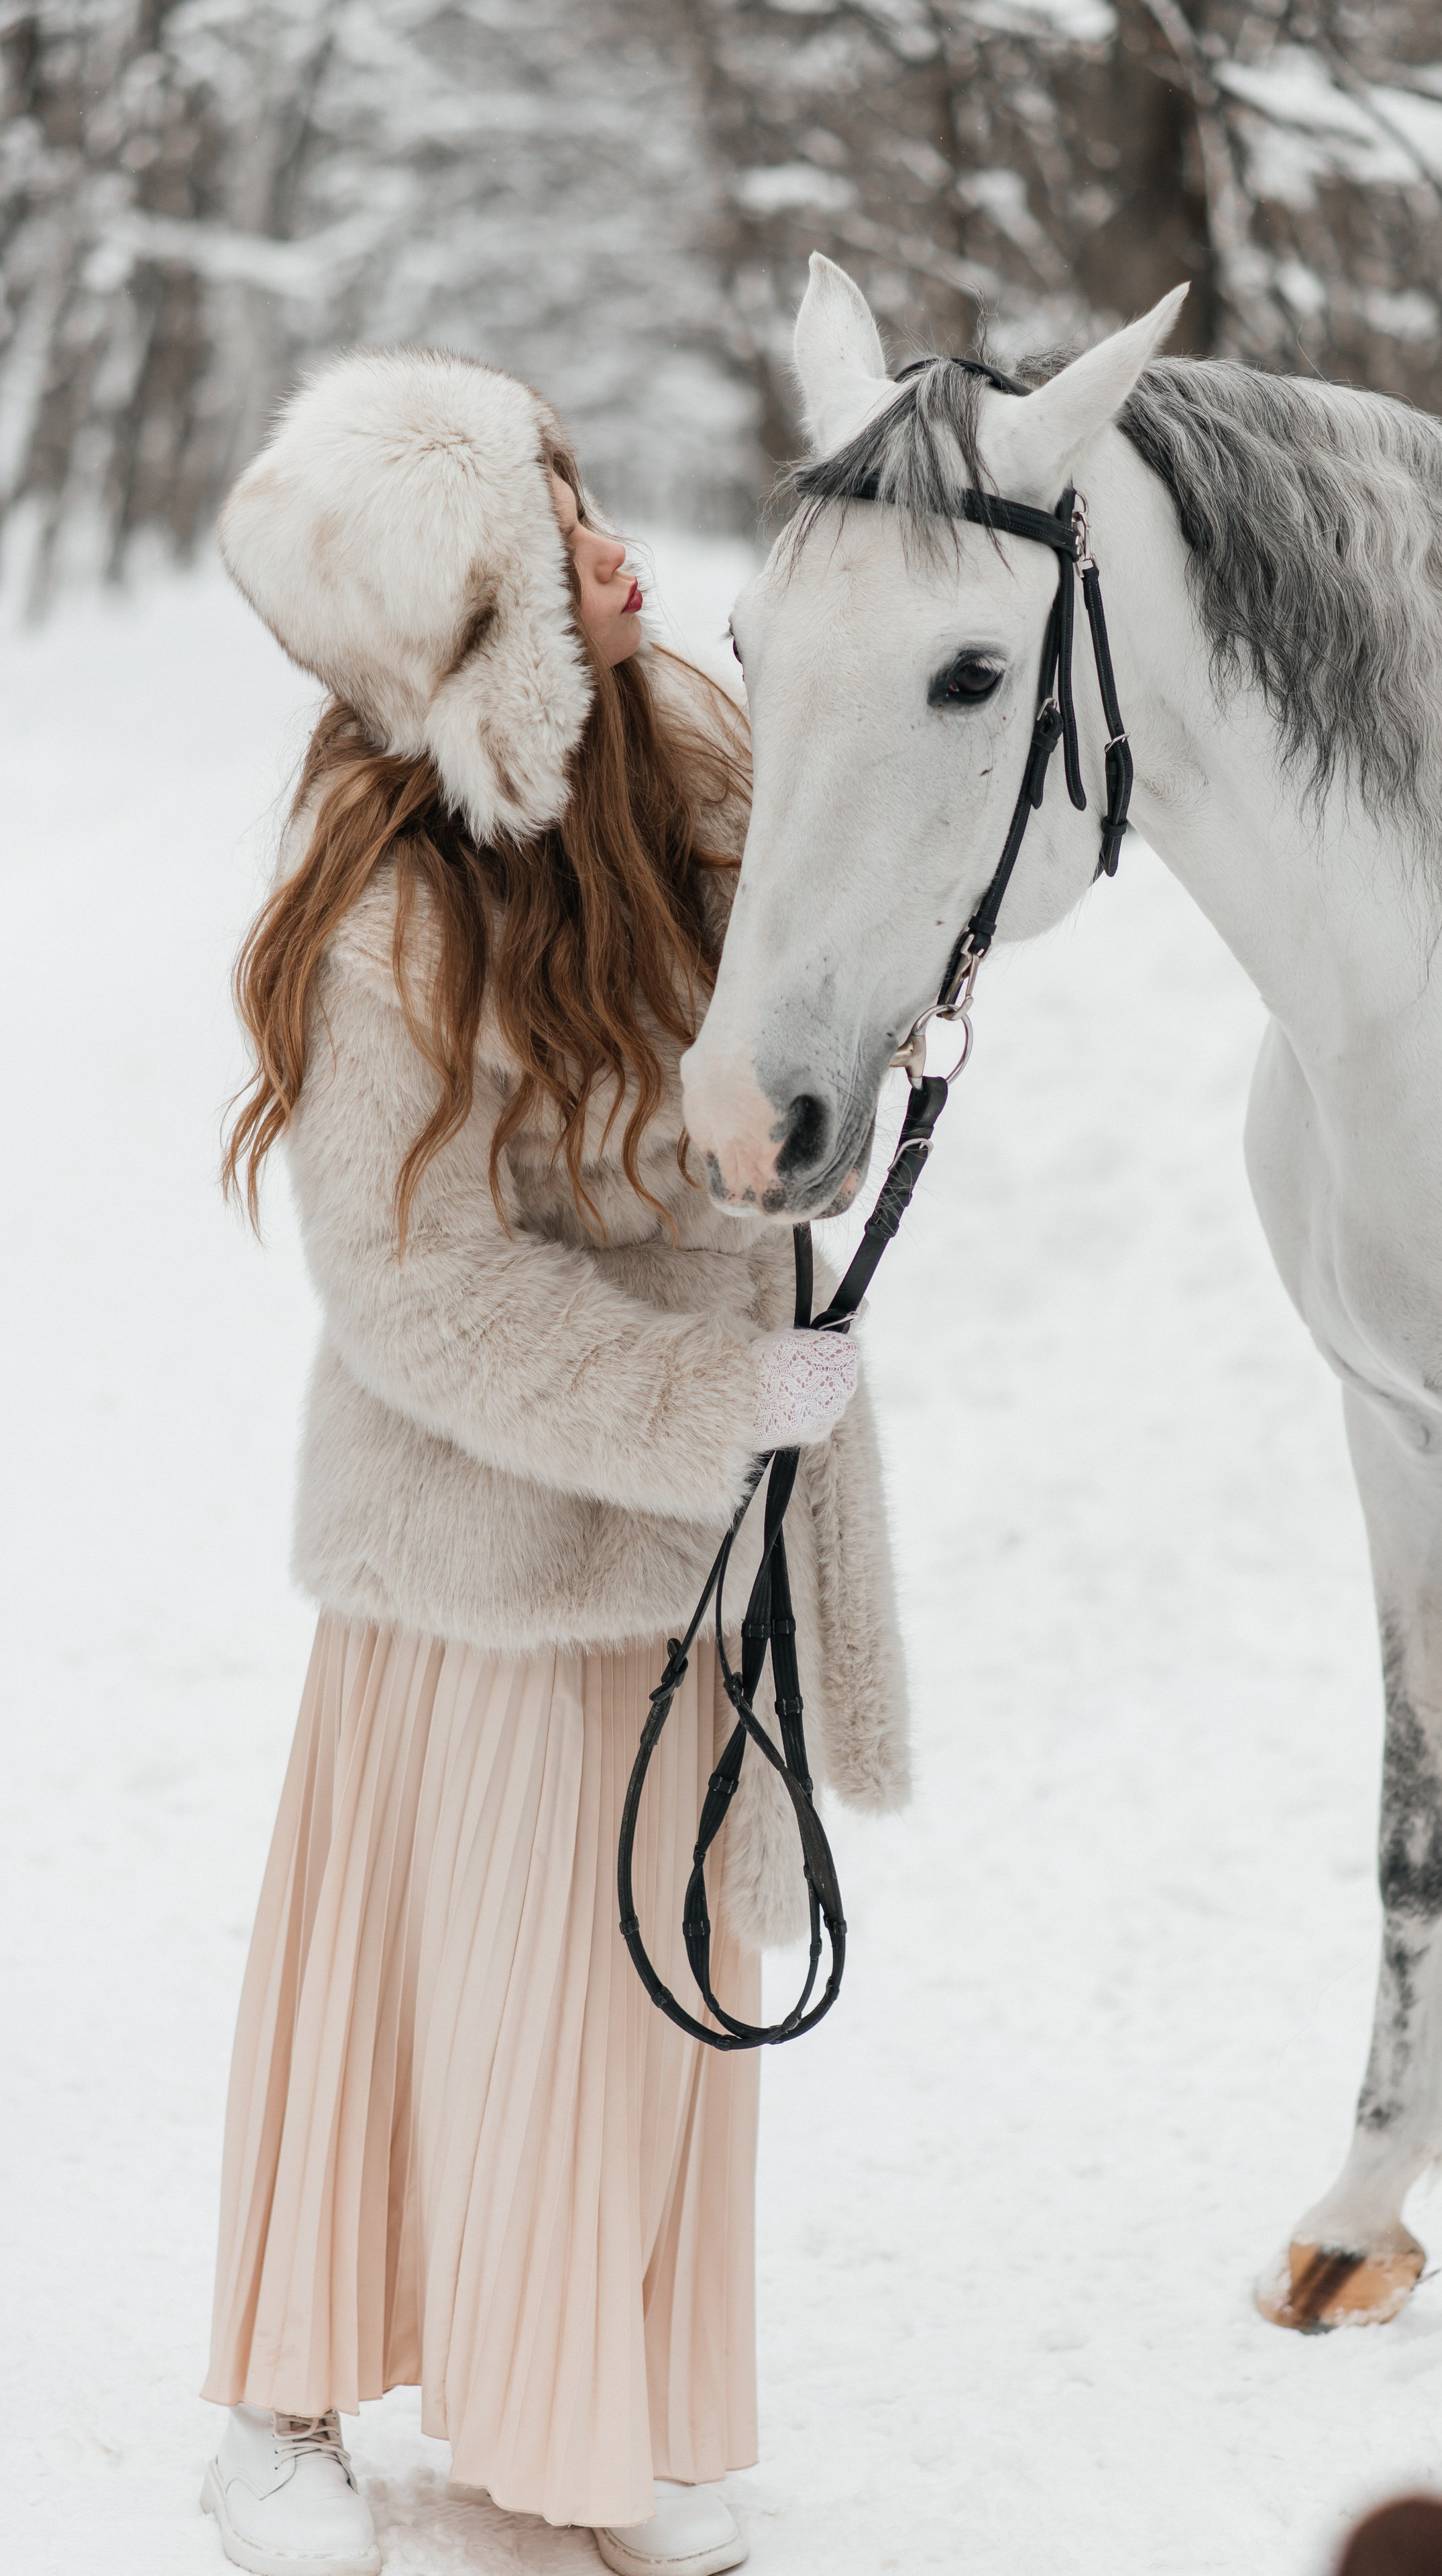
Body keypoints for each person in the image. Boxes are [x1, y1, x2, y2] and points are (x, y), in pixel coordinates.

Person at [198, 347, 909, 2576]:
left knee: (654, 1989)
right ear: (474, 624)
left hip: (689, 1567)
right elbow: (410, 1289)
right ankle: (285, 2400)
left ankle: (598, 2405)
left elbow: (807, 1088)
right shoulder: (398, 907)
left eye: (586, 495)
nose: (612, 547)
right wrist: (706, 1412)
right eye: (551, 529)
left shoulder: (707, 773)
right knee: (449, 1985)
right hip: (486, 1569)